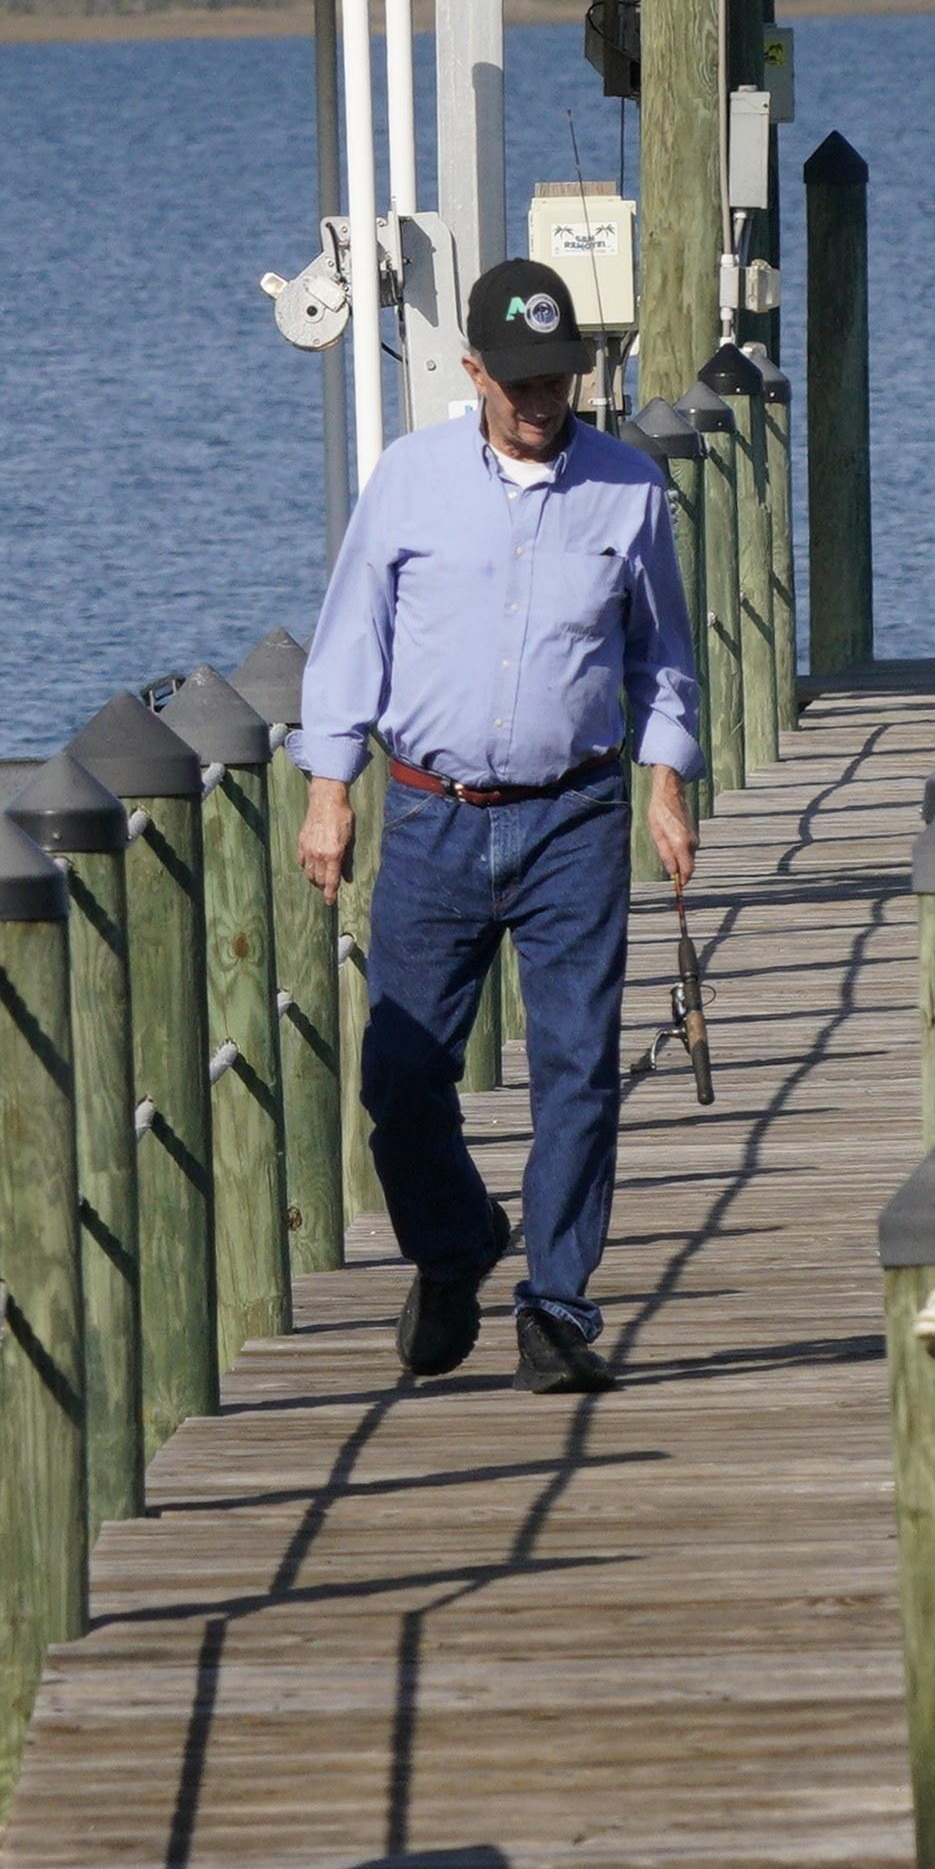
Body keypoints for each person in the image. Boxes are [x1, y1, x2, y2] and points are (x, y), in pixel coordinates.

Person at [291, 259, 704, 1394]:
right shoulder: (409, 482)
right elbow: (349, 644)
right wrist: (331, 787)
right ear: (472, 369)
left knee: (578, 1064)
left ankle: (558, 1305)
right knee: (400, 1073)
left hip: (575, 809)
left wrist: (667, 776)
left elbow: (662, 656)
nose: (540, 398)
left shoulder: (630, 491)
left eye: (559, 377)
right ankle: (456, 1238)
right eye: (518, 378)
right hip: (429, 814)